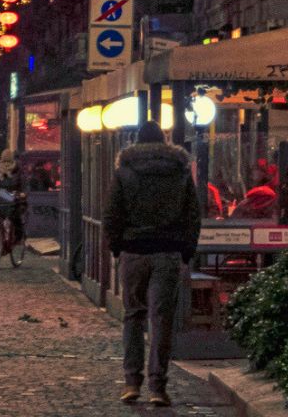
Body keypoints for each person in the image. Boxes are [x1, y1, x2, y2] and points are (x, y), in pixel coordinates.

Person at [103, 121, 201, 407]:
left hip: (134, 251)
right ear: (165, 142)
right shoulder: (180, 171)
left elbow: (112, 213)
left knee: (133, 315)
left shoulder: (125, 172)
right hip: (167, 252)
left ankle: (132, 382)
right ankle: (158, 386)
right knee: (162, 318)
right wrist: (185, 251)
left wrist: (117, 246)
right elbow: (192, 215)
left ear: (136, 142)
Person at [0, 149, 26, 241]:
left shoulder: (17, 170)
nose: (6, 163)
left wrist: (22, 193)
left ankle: (17, 237)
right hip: (2, 198)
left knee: (16, 215)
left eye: (8, 160)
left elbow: (23, 184)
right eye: (4, 160)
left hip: (13, 197)